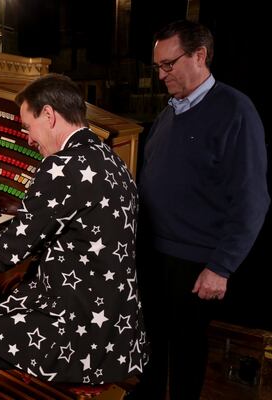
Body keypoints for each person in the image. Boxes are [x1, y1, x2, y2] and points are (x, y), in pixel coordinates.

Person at [0, 73, 149, 399]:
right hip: (113, 328)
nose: (29, 139)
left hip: (76, 337)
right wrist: (30, 278)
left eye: (28, 127)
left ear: (49, 115)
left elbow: (4, 254)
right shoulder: (111, 160)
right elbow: (78, 242)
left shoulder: (62, 167)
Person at [135, 20, 270, 400]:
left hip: (194, 263)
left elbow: (252, 198)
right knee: (150, 343)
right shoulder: (169, 113)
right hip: (154, 255)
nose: (161, 75)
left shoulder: (236, 110)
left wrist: (221, 266)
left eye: (169, 64)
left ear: (200, 55)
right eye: (158, 66)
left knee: (186, 351)